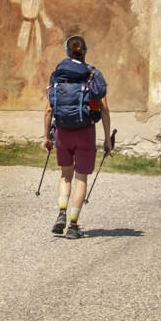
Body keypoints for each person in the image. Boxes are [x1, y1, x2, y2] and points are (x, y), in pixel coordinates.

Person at [42, 34, 113, 240]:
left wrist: (47, 137)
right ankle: (73, 225)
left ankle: (61, 213)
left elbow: (48, 110)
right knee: (81, 178)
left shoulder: (57, 75)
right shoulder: (93, 74)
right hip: (85, 132)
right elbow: (105, 110)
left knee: (66, 175)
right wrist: (107, 139)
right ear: (85, 51)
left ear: (67, 51)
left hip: (62, 132)